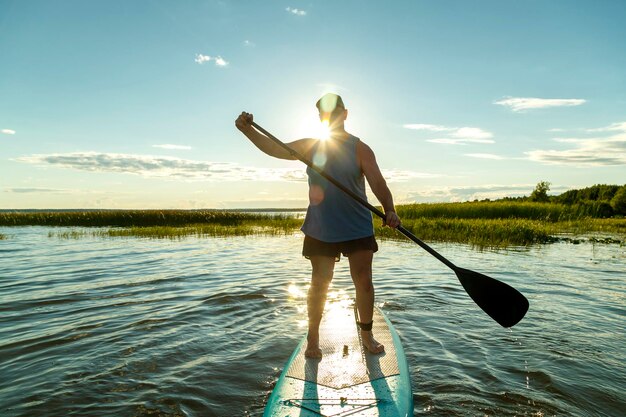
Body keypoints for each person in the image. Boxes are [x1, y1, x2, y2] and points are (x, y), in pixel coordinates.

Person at [235, 93, 400, 358]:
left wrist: (389, 209)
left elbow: (378, 183)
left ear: (344, 114)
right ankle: (313, 341)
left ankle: (367, 336)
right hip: (321, 228)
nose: (329, 117)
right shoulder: (311, 146)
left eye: (334, 113)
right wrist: (247, 130)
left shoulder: (360, 148)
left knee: (364, 282)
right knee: (319, 284)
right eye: (324, 114)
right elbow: (274, 148)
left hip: (357, 225)